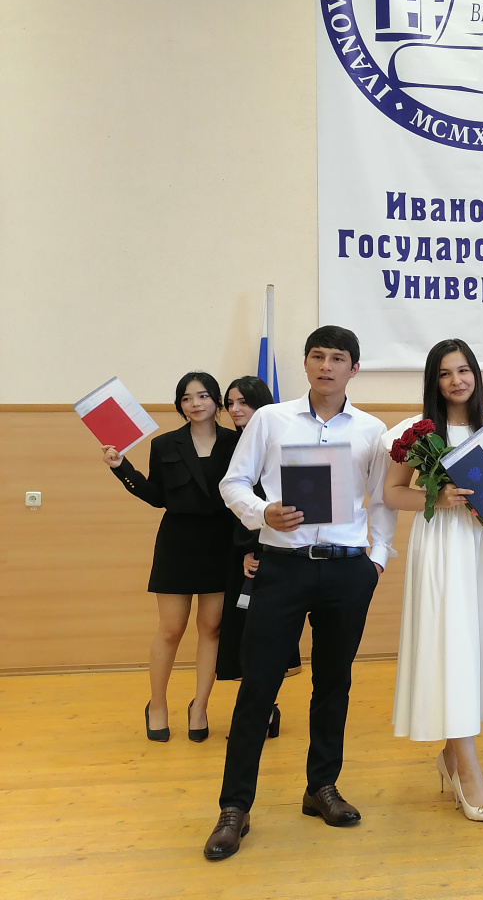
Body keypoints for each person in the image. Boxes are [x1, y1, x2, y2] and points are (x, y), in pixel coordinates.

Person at [205, 326, 395, 861]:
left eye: (338, 358)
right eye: (318, 356)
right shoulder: (271, 419)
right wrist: (262, 511)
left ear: (354, 368)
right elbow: (232, 483)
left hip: (347, 570)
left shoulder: (372, 430)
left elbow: (382, 500)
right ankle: (234, 807)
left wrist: (377, 559)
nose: (327, 366)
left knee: (333, 684)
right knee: (258, 686)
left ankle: (322, 787)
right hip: (282, 568)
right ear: (306, 363)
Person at [381, 338, 483, 823]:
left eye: (463, 370)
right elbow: (392, 494)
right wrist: (437, 498)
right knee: (450, 647)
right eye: (445, 373)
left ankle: (451, 756)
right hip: (442, 547)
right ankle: (468, 772)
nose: (456, 380)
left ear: (476, 375)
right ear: (434, 381)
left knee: (479, 648)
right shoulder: (416, 433)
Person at [102, 371, 237, 745]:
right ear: (180, 405)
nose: (195, 403)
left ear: (217, 401)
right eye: (187, 398)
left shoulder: (237, 441)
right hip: (178, 544)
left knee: (212, 627)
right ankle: (157, 704)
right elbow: (156, 496)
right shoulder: (164, 444)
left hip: (221, 543)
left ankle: (200, 706)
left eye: (203, 396)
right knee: (171, 628)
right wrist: (122, 468)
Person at [216, 377, 300, 738]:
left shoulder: (276, 440)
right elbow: (231, 501)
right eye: (230, 403)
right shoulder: (228, 444)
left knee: (268, 638)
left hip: (269, 552)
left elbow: (276, 500)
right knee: (244, 638)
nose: (236, 409)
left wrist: (254, 548)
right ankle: (258, 711)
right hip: (239, 554)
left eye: (244, 402)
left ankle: (265, 710)